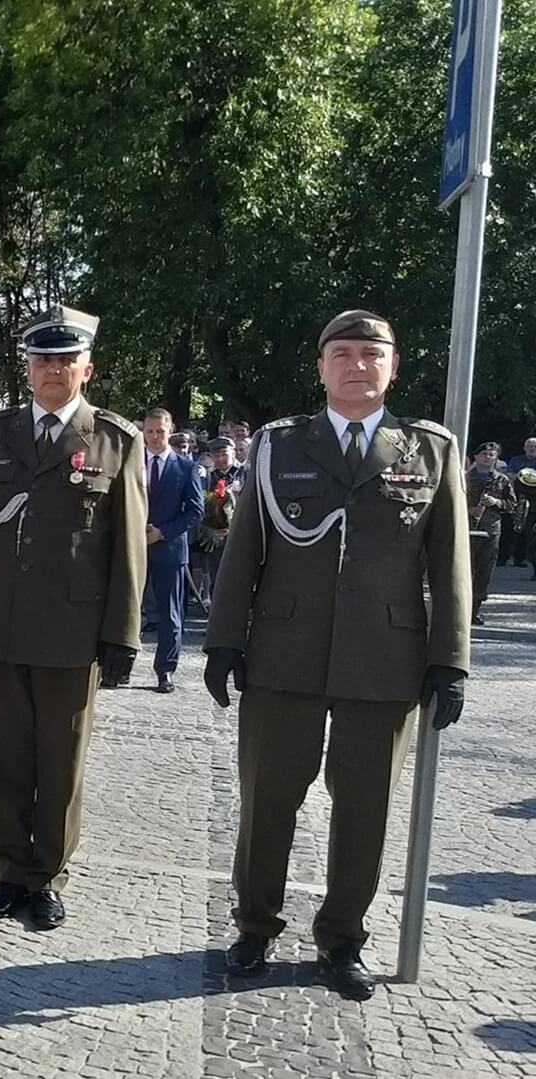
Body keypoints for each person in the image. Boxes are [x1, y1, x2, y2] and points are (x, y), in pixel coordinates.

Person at [207, 309, 470, 1001]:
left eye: (371, 353)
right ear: (321, 367)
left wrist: (450, 658)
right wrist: (225, 638)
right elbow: (246, 549)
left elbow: (450, 564)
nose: (357, 364)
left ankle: (343, 936)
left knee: (364, 808)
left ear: (394, 367)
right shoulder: (278, 446)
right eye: (343, 353)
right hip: (283, 654)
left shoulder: (430, 450)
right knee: (268, 798)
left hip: (384, 661)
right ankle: (255, 925)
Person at [0, 305, 145, 931]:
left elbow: (128, 547)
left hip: (70, 631)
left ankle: (48, 875)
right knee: (3, 757)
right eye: (42, 359)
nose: (52, 369)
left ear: (87, 369)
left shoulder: (115, 439)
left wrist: (122, 634)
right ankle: (9, 873)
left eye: (65, 359)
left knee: (61, 762)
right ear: (28, 368)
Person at [140, 408, 204, 693]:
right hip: (134, 548)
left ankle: (165, 669)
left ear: (170, 431)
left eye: (160, 431)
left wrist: (162, 532)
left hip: (169, 549)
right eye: (150, 431)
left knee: (170, 613)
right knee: (126, 608)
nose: (155, 437)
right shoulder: (132, 464)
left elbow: (195, 512)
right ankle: (118, 666)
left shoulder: (185, 468)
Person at [465, 441, 515, 625]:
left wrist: (496, 502)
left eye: (491, 454)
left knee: (484, 573)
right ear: (476, 456)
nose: (487, 457)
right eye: (484, 454)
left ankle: (475, 610)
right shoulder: (465, 477)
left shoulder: (502, 480)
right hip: (467, 529)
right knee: (464, 571)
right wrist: (469, 510)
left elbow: (512, 505)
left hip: (490, 531)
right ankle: (461, 609)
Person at [191, 435, 242, 611]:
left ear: (233, 453)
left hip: (241, 534)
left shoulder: (244, 473)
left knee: (240, 578)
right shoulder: (208, 477)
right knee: (217, 577)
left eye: (224, 454)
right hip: (216, 537)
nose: (220, 459)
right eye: (216, 455)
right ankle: (217, 617)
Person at [499, 435, 536, 568]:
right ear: (524, 448)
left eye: (535, 446)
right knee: (509, 528)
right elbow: (509, 475)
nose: (532, 448)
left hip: (534, 499)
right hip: (517, 496)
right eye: (530, 446)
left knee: (528, 530)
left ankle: (520, 559)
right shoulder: (516, 460)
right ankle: (502, 558)